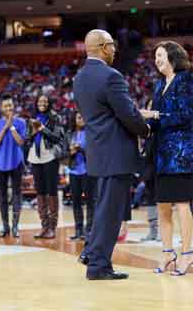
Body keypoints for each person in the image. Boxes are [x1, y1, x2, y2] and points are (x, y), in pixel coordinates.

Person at [73, 29, 149, 280]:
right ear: (103, 47)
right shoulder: (111, 76)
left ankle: (93, 255)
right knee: (110, 211)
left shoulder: (80, 77)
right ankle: (97, 264)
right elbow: (126, 114)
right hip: (116, 152)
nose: (116, 50)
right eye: (112, 45)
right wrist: (146, 129)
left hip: (97, 151)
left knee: (104, 208)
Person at [141, 41, 193, 276]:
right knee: (163, 203)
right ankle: (168, 252)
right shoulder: (159, 85)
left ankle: (187, 254)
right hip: (161, 154)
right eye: (155, 56)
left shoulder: (184, 80)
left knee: (183, 204)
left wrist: (155, 114)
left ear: (173, 57)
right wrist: (144, 120)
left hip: (181, 153)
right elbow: (157, 121)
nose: (157, 60)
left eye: (161, 55)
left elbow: (186, 114)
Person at [27, 95, 64, 239]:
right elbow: (26, 138)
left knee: (51, 191)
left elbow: (57, 137)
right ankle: (44, 226)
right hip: (35, 157)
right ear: (36, 103)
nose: (42, 103)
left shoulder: (55, 117)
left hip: (50, 156)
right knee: (40, 191)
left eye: (45, 101)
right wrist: (33, 132)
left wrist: (42, 129)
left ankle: (52, 228)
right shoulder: (31, 118)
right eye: (39, 101)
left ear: (49, 104)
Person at [0, 95, 26, 238]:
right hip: (0, 163)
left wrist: (11, 127)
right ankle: (5, 226)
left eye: (10, 105)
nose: (9, 108)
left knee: (17, 194)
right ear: (1, 108)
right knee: (3, 196)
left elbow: (20, 142)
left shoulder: (21, 122)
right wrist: (5, 127)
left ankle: (15, 226)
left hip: (16, 162)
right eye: (6, 106)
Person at [67, 111, 97, 240]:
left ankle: (89, 230)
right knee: (76, 202)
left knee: (90, 201)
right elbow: (63, 152)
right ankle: (78, 230)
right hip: (73, 171)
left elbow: (95, 152)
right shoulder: (69, 135)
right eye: (78, 117)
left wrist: (81, 149)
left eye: (83, 116)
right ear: (74, 119)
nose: (81, 119)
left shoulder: (91, 133)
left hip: (88, 171)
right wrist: (71, 152)